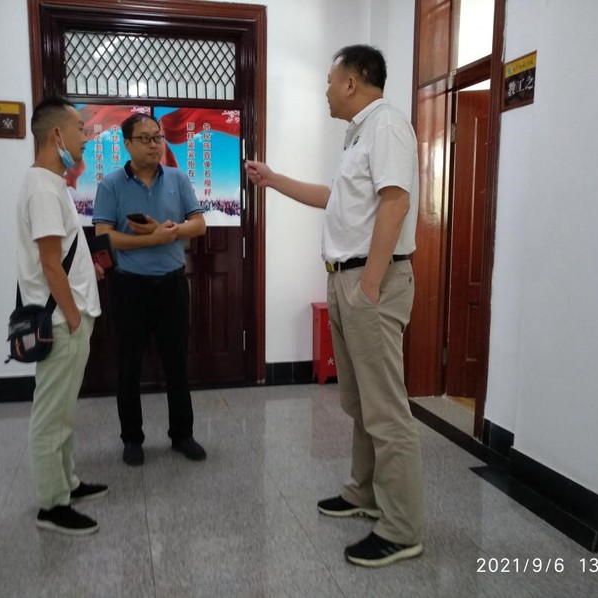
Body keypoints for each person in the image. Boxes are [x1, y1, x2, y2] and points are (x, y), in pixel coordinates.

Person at [245, 44, 425, 567]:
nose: (325, 91)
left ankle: (402, 528)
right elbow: (336, 198)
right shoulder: (358, 134)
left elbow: (396, 201)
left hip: (371, 282)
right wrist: (273, 179)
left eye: (329, 81)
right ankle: (364, 492)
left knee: (386, 410)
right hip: (345, 279)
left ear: (352, 82)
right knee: (360, 403)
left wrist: (368, 283)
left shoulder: (387, 125)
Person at [92, 113, 207, 466]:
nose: (154, 145)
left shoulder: (177, 178)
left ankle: (182, 435)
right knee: (128, 366)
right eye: (144, 138)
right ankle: (132, 439)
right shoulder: (111, 185)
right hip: (130, 287)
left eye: (157, 137)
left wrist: (169, 233)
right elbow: (103, 236)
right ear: (127, 144)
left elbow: (198, 225)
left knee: (177, 364)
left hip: (172, 284)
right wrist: (150, 240)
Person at [16, 97, 108, 535]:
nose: (84, 137)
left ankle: (68, 483)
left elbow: (63, 255)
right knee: (51, 415)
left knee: (64, 409)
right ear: (56, 135)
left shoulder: (53, 183)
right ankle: (52, 506)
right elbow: (50, 264)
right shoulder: (42, 188)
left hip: (70, 315)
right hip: (61, 321)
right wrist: (72, 317)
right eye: (78, 129)